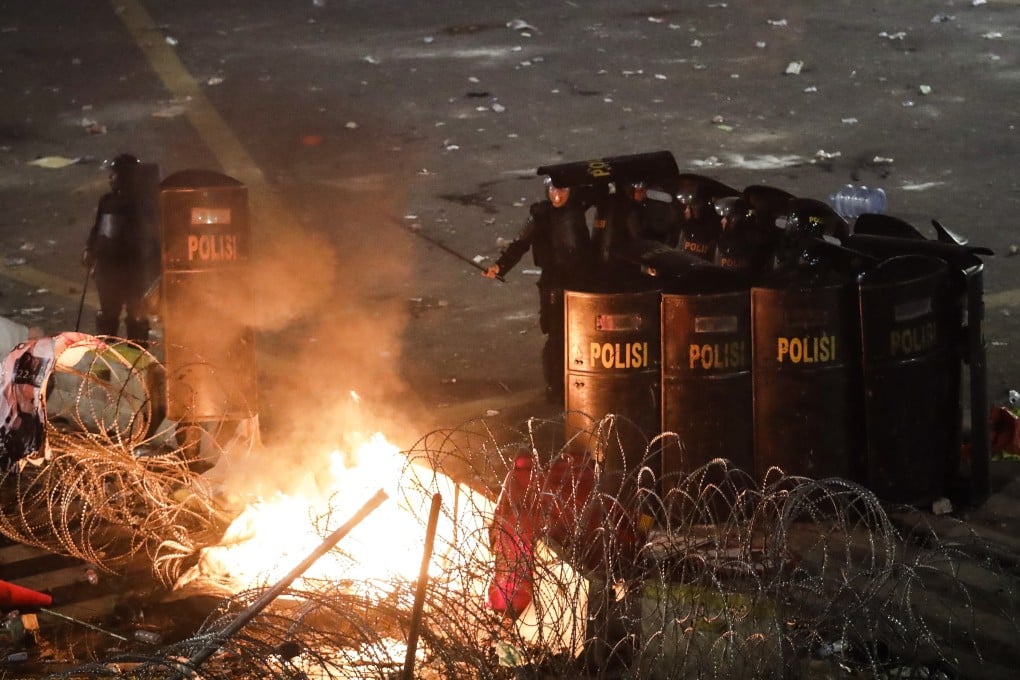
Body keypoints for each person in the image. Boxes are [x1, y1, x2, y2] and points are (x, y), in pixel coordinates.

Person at [484, 180, 594, 404]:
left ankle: (580, 380)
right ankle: (556, 386)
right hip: (553, 281)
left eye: (563, 189)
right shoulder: (540, 215)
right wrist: (500, 266)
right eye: (554, 189)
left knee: (582, 332)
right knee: (556, 335)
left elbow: (597, 189)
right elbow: (519, 243)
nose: (557, 195)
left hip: (580, 280)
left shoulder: (577, 207)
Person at [82, 153, 152, 345]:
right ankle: (107, 361)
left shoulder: (141, 204)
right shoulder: (107, 201)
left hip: (131, 272)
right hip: (110, 271)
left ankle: (135, 361)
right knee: (108, 318)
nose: (110, 178)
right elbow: (98, 229)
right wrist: (90, 248)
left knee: (135, 319)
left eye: (114, 174)